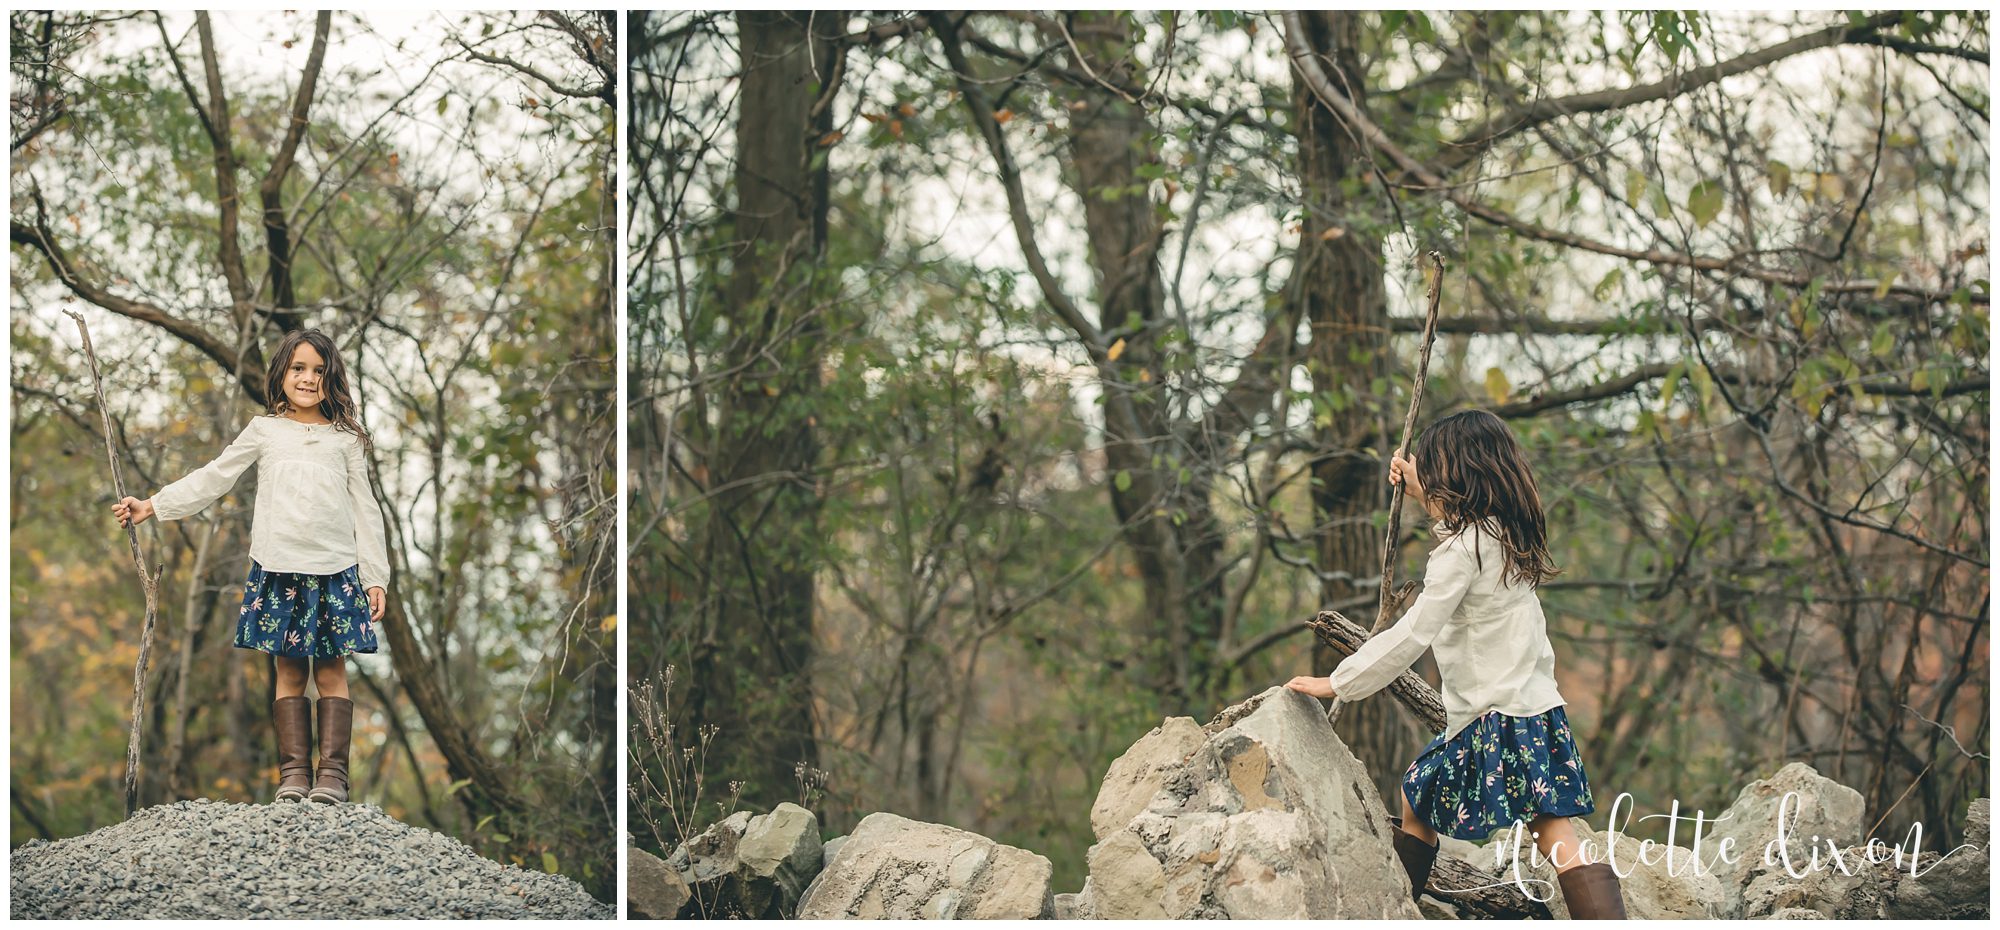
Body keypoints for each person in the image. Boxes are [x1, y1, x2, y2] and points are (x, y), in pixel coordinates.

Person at [1285, 409, 1625, 918]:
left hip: (1493, 719)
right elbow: (1458, 531)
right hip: (1533, 712)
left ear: (1458, 481)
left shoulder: (1458, 553)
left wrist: (1340, 682)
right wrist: (1421, 488)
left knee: (1418, 795)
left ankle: (1393, 911)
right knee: (1549, 828)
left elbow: (1413, 632)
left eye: (1437, 477)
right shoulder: (1508, 535)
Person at [114, 329, 388, 805]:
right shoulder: (264, 431)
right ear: (281, 372)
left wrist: (375, 576)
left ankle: (333, 776)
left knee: (329, 671)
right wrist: (154, 505)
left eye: (319, 371)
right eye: (298, 368)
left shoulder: (345, 440)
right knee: (288, 671)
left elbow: (366, 509)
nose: (308, 378)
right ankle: (294, 775)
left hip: (335, 569)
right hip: (279, 566)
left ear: (332, 379)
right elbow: (215, 476)